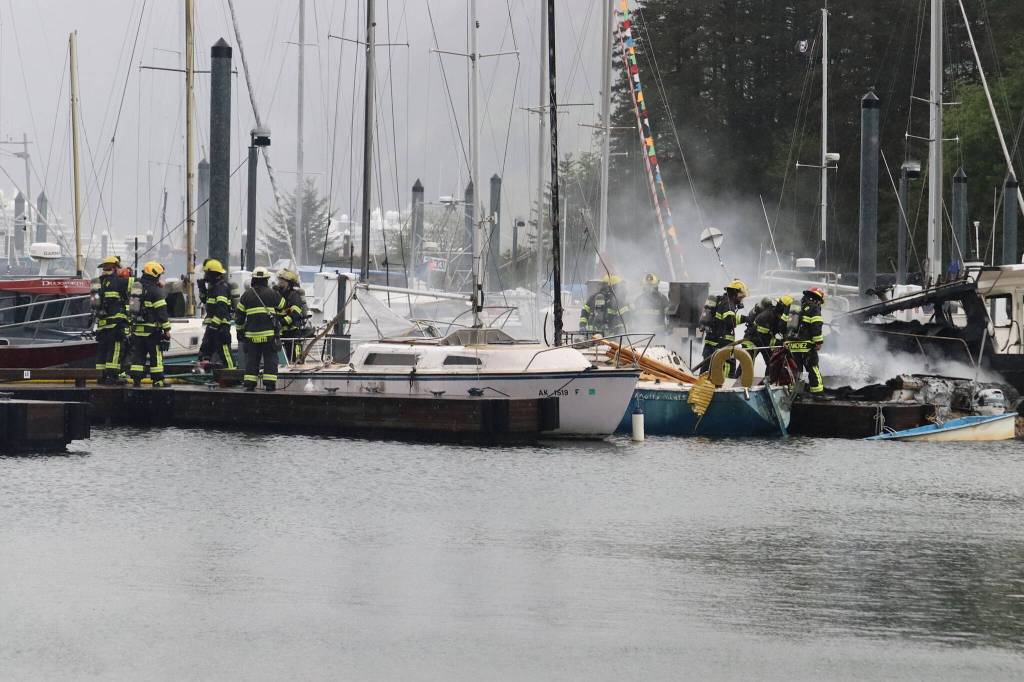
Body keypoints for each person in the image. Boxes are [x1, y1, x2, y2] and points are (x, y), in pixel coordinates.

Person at [236, 266, 285, 391]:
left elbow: (239, 317)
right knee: (270, 359)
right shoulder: (272, 294)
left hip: (251, 336)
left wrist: (240, 332)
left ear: (253, 280)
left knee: (252, 360)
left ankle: (250, 383)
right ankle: (269, 384)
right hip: (268, 335)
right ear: (266, 279)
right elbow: (282, 305)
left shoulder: (246, 296)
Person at [128, 261, 171, 387]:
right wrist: (167, 329)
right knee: (156, 356)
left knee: (138, 356)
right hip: (152, 331)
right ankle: (158, 381)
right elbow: (162, 313)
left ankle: (136, 380)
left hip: (137, 330)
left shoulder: (137, 288)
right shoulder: (156, 291)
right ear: (155, 275)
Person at [94, 255, 131, 385]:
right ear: (115, 268)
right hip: (116, 324)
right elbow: (139, 285)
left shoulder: (99, 282)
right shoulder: (119, 281)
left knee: (102, 351)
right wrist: (128, 272)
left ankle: (100, 376)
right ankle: (112, 376)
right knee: (115, 350)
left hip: (102, 324)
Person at [701, 279, 747, 377]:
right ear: (735, 292)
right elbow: (730, 320)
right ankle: (724, 386)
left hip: (711, 341)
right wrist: (746, 319)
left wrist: (745, 319)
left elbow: (722, 319)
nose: (740, 299)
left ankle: (701, 385)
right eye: (740, 296)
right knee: (728, 366)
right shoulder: (729, 303)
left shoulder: (722, 300)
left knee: (706, 368)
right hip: (721, 342)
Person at [785, 287, 825, 395]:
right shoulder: (814, 308)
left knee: (796, 369)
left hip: (793, 344)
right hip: (806, 345)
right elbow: (816, 326)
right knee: (813, 367)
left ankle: (795, 393)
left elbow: (785, 325)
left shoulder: (796, 307)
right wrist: (818, 342)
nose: (820, 304)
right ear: (817, 299)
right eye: (820, 302)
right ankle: (818, 393)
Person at [197, 259, 235, 369]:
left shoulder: (221, 288)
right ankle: (205, 372)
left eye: (206, 273)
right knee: (205, 351)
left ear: (212, 273)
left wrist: (215, 324)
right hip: (212, 327)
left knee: (225, 352)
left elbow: (222, 308)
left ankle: (232, 374)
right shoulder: (213, 287)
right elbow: (206, 302)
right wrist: (202, 289)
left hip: (221, 327)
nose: (205, 276)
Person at [741, 294, 793, 366]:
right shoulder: (768, 314)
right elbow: (763, 335)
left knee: (770, 363)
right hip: (753, 339)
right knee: (747, 363)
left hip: (759, 339)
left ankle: (768, 377)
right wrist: (775, 343)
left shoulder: (776, 314)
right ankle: (737, 377)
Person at [275, 268, 308, 363]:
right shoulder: (279, 294)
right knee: (283, 356)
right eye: (279, 280)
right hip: (282, 332)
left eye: (282, 281)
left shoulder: (294, 296)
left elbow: (295, 315)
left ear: (289, 283)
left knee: (294, 356)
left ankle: (297, 365)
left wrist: (281, 322)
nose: (280, 283)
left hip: (293, 331)